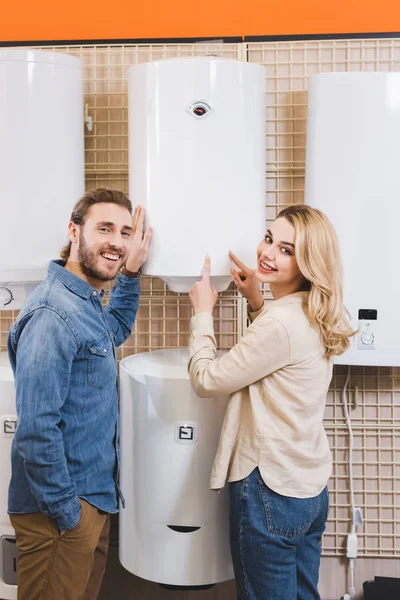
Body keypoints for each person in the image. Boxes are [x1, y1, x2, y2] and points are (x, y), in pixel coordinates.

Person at [188, 204, 355, 600]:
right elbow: (284, 353)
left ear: (308, 262)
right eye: (268, 239)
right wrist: (257, 300)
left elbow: (206, 379)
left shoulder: (280, 324)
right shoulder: (316, 312)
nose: (266, 253)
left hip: (269, 491)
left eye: (286, 249)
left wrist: (202, 315)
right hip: (308, 490)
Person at [7, 188, 152, 600]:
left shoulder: (83, 302)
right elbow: (36, 429)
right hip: (60, 511)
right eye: (104, 228)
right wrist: (68, 513)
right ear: (75, 231)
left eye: (125, 232)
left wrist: (130, 275)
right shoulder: (52, 315)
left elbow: (112, 331)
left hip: (91, 500)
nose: (117, 242)